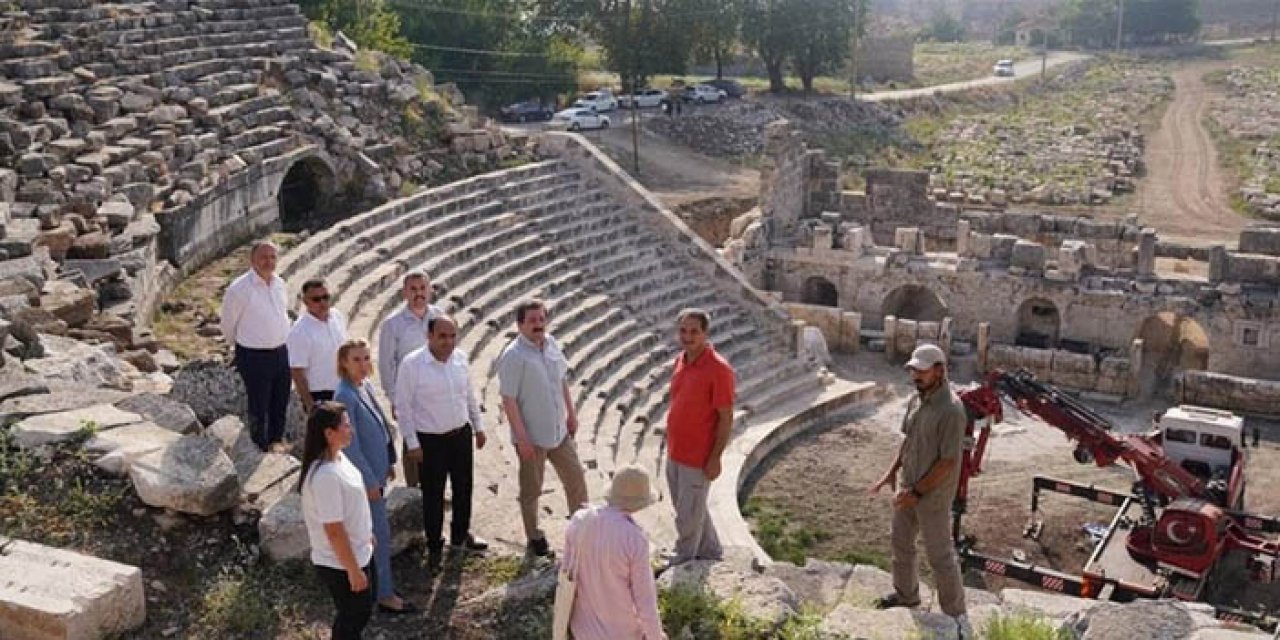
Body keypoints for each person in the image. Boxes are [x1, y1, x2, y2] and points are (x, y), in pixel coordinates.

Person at [868, 343, 969, 635]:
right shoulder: (917, 400)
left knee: (940, 557)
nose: (916, 376)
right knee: (901, 545)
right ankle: (906, 597)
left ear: (940, 370)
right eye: (914, 370)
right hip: (907, 488)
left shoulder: (952, 410)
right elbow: (909, 441)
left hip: (932, 497)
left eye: (922, 371)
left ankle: (955, 615)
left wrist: (918, 493)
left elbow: (947, 463)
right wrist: (891, 472)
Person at [497, 299, 589, 558]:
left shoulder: (551, 344)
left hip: (559, 432)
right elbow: (509, 399)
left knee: (576, 480)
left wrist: (571, 413)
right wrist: (522, 438)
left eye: (541, 319)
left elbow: (561, 380)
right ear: (520, 324)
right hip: (533, 437)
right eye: (532, 321)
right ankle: (534, 537)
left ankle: (580, 531)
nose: (538, 325)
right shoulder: (513, 356)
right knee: (531, 489)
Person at [394, 316, 489, 563]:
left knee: (463, 488)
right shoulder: (412, 365)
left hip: (460, 435)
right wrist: (412, 442)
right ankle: (434, 545)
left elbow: (468, 395)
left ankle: (460, 538)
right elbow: (403, 407)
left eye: (452, 336)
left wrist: (478, 427)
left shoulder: (460, 359)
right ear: (430, 336)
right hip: (430, 440)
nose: (448, 342)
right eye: (442, 336)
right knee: (433, 494)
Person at [334, 339, 414, 615]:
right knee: (377, 533)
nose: (363, 364)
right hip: (364, 482)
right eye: (356, 359)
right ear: (344, 363)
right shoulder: (344, 395)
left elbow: (379, 424)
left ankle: (378, 588)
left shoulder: (363, 386)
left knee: (377, 533)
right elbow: (352, 447)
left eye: (366, 358)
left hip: (377, 473)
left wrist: (390, 459)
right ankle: (384, 594)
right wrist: (370, 482)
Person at [563, 465, 667, 640]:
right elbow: (645, 600)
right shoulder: (634, 538)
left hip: (581, 629)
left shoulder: (579, 520)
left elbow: (567, 571)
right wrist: (655, 636)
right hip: (621, 633)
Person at [299, 402, 375, 639]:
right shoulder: (324, 477)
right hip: (340, 563)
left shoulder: (339, 458)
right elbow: (333, 530)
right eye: (345, 425)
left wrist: (367, 536)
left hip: (360, 551)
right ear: (329, 434)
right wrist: (353, 570)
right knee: (352, 618)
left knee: (359, 612)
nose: (350, 429)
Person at [663, 308, 732, 565]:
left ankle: (683, 561)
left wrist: (715, 458)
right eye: (683, 330)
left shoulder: (718, 370)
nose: (687, 336)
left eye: (694, 331)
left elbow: (726, 418)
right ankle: (711, 552)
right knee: (692, 507)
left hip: (698, 456)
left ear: (705, 334)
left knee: (687, 515)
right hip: (675, 450)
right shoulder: (681, 360)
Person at [220, 240, 292, 451]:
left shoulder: (279, 283)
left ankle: (276, 442)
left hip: (280, 352)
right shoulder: (239, 289)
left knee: (280, 401)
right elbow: (227, 323)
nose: (268, 261)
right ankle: (258, 446)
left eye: (272, 257)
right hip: (254, 355)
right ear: (252, 260)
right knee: (258, 405)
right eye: (263, 257)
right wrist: (239, 347)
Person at [377, 270, 443, 488]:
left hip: (436, 392)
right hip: (410, 395)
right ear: (405, 292)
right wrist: (394, 398)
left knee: (438, 439)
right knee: (412, 443)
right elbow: (387, 365)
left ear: (430, 290)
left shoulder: (439, 318)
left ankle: (435, 486)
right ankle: (414, 491)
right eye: (413, 289)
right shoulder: (393, 324)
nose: (419, 294)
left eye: (423, 288)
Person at [288, 279, 349, 414]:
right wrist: (310, 405)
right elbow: (297, 371)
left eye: (325, 297)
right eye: (316, 299)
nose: (322, 303)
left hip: (344, 388)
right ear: (305, 302)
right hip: (320, 395)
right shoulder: (300, 331)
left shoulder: (337, 317)